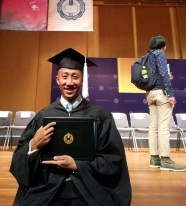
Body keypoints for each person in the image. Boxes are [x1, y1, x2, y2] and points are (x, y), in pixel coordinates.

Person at [10, 48, 132, 206]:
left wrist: (77, 165)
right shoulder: (43, 116)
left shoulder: (101, 116)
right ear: (57, 80)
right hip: (48, 186)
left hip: (87, 186)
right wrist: (33, 145)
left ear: (82, 80)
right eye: (64, 76)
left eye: (75, 77)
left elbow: (113, 160)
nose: (69, 82)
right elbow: (19, 158)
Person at [147, 35, 186, 171]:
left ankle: (154, 158)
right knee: (163, 127)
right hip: (161, 93)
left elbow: (154, 74)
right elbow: (163, 74)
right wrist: (170, 94)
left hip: (150, 93)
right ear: (163, 45)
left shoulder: (148, 56)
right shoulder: (160, 53)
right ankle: (165, 160)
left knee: (153, 127)